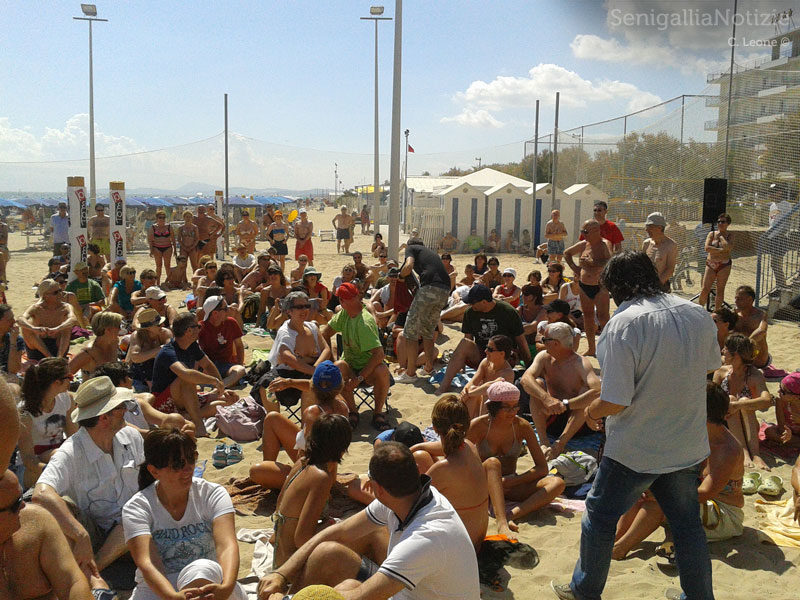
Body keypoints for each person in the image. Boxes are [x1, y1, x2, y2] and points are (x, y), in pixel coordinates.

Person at [550, 251, 720, 600]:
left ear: (615, 288)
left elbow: (616, 399)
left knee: (599, 517)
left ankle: (584, 591)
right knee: (687, 527)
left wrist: (592, 413)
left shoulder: (624, 323)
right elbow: (707, 371)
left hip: (636, 449)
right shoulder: (696, 312)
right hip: (686, 441)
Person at [257, 441, 480, 600]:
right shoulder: (407, 496)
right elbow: (336, 532)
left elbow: (358, 597)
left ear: (377, 489)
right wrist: (281, 573)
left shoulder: (426, 538)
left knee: (346, 588)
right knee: (327, 554)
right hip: (411, 590)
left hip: (408, 590)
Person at [32, 376, 143, 589]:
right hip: (98, 534)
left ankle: (93, 569)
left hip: (135, 528)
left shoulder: (130, 437)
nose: (126, 411)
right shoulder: (71, 452)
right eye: (121, 407)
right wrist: (80, 534)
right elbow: (41, 494)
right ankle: (95, 569)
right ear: (104, 418)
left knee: (137, 514)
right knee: (56, 506)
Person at [612, 382, 745, 560]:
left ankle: (620, 548)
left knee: (658, 503)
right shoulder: (695, 435)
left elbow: (707, 492)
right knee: (638, 492)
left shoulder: (727, 449)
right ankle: (615, 540)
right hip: (697, 500)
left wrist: (661, 493)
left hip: (724, 513)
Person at [123, 428, 246, 600]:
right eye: (177, 465)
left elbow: (227, 545)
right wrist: (173, 597)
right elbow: (148, 563)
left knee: (202, 569)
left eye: (191, 459)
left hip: (211, 582)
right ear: (154, 471)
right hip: (161, 587)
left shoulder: (211, 493)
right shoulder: (137, 507)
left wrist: (226, 587)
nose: (187, 469)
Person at [467, 381, 565, 539]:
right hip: (484, 484)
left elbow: (542, 468)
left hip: (512, 483)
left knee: (557, 483)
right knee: (493, 463)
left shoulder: (522, 426)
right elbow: (461, 459)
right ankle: (502, 523)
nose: (512, 412)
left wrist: (513, 481)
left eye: (515, 407)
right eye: (507, 408)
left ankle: (512, 514)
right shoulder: (478, 426)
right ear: (493, 407)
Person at [0, 469, 107, 600]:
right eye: (16, 504)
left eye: (21, 497)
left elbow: (72, 583)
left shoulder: (38, 522)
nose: (23, 506)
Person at [269, 414, 353, 570]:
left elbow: (279, 505)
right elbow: (301, 539)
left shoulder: (302, 462)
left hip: (280, 553)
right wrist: (331, 528)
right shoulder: (320, 478)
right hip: (291, 564)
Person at [250, 361, 350, 488]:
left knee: (257, 471)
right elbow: (321, 387)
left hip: (313, 478)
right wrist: (289, 382)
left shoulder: (312, 413)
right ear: (340, 386)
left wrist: (291, 478)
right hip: (328, 473)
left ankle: (272, 473)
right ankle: (271, 470)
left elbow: (305, 456)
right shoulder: (343, 406)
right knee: (272, 418)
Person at [410, 395, 490, 548]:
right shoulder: (469, 447)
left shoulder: (442, 469)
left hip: (462, 545)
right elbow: (440, 447)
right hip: (478, 537)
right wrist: (416, 447)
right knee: (421, 455)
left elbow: (409, 507)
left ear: (434, 428)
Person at [520, 322, 602, 459]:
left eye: (545, 340)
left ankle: (559, 444)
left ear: (556, 343)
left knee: (585, 392)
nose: (542, 342)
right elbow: (525, 379)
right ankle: (544, 441)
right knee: (537, 385)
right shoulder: (544, 357)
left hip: (576, 420)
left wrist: (566, 404)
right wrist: (547, 399)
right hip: (551, 414)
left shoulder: (579, 363)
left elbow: (597, 391)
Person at [150, 313, 236, 437]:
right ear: (189, 331)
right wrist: (214, 381)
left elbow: (208, 365)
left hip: (185, 397)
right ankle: (198, 424)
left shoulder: (192, 346)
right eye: (198, 326)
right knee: (186, 378)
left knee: (229, 400)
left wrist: (221, 386)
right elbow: (185, 374)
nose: (200, 328)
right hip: (164, 403)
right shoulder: (168, 352)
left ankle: (189, 415)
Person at [436, 284, 531, 395]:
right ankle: (444, 386)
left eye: (473, 302)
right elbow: (468, 340)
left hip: (504, 356)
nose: (470, 305)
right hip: (482, 353)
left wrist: (529, 366)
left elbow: (521, 340)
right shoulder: (470, 313)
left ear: (484, 302)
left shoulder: (507, 311)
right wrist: (461, 365)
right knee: (464, 343)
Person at [321, 282, 392, 431]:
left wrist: (358, 379)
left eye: (343, 299)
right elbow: (325, 333)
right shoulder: (344, 314)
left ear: (344, 301)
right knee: (338, 367)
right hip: (350, 365)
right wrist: (331, 359)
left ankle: (377, 413)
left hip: (369, 368)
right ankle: (353, 412)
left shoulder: (364, 322)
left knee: (381, 370)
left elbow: (379, 355)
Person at [712, 333, 772, 471]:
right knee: (731, 399)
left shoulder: (754, 375)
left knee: (743, 400)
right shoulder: (721, 372)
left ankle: (755, 454)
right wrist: (727, 406)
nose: (723, 351)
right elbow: (712, 398)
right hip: (724, 420)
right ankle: (744, 451)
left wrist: (738, 405)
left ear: (736, 355)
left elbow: (767, 400)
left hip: (747, 424)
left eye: (726, 349)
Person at [16, 358, 76, 489]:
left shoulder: (66, 399)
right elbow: (28, 459)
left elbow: (74, 438)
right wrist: (54, 471)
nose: (73, 380)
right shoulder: (25, 414)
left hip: (59, 457)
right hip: (34, 468)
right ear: (56, 382)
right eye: (70, 377)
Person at [395, 240, 450, 383]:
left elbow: (408, 266)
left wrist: (400, 277)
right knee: (428, 331)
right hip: (444, 291)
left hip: (429, 289)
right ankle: (428, 367)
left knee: (410, 331)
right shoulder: (431, 254)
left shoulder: (412, 248)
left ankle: (411, 373)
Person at [564, 220, 611, 357]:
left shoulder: (604, 244)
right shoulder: (584, 244)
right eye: (582, 231)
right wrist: (576, 269)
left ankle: (608, 348)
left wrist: (592, 262)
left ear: (596, 231)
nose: (583, 234)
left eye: (586, 231)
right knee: (588, 317)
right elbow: (567, 253)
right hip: (584, 285)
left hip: (600, 286)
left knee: (603, 318)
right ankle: (591, 348)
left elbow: (609, 261)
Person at [459, 334, 515, 418]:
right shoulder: (485, 363)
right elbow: (473, 381)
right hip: (480, 406)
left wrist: (469, 393)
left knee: (484, 395)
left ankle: (476, 427)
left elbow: (490, 388)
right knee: (473, 389)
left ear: (502, 354)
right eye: (487, 347)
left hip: (495, 411)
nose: (485, 351)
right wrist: (464, 393)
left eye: (490, 349)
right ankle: (466, 425)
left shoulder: (507, 373)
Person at [18, 279, 76, 360]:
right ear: (45, 295)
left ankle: (59, 358)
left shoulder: (65, 307)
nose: (60, 294)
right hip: (38, 347)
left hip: (58, 346)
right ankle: (50, 357)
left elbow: (73, 319)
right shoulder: (36, 308)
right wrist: (34, 328)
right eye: (56, 293)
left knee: (66, 328)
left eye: (60, 290)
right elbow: (20, 319)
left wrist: (57, 329)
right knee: (26, 328)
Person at [198, 296, 248, 388]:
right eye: (225, 308)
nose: (228, 310)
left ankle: (220, 386)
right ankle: (222, 384)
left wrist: (240, 363)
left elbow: (239, 345)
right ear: (215, 313)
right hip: (207, 366)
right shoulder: (201, 327)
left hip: (225, 366)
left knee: (240, 370)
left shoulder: (231, 323)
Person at [127, 308, 173, 393]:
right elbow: (135, 357)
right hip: (141, 374)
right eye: (158, 325)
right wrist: (159, 349)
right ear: (148, 328)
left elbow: (171, 353)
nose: (162, 325)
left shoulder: (165, 333)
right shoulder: (137, 336)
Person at [698, 213, 734, 311]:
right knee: (705, 289)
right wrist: (720, 250)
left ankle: (717, 311)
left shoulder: (730, 235)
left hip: (724, 264)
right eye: (718, 222)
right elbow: (707, 248)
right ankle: (700, 309)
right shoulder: (712, 234)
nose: (720, 224)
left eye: (723, 222)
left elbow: (728, 247)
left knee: (720, 289)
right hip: (711, 263)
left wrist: (721, 237)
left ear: (728, 224)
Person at [68, 311, 122, 377]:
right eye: (118, 326)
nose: (120, 329)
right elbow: (66, 373)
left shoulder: (114, 343)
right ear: (108, 330)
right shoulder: (87, 353)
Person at [732, 285, 772, 370]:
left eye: (739, 299)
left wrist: (746, 344)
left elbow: (762, 330)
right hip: (740, 356)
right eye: (735, 298)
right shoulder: (734, 315)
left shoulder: (760, 315)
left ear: (750, 300)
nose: (736, 301)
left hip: (758, 358)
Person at [641, 212, 678, 292]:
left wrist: (656, 285)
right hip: (645, 286)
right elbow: (641, 265)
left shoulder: (670, 245)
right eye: (646, 226)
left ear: (660, 228)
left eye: (650, 226)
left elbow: (670, 269)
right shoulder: (646, 244)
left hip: (661, 288)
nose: (646, 229)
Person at [764, 372, 800, 450]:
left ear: (796, 397)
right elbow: (781, 424)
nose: (778, 392)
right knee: (769, 431)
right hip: (790, 433)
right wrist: (786, 433)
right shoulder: (780, 401)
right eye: (780, 387)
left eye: (783, 391)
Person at [147, 210, 175, 285]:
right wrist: (151, 250)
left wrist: (175, 250)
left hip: (168, 247)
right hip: (157, 247)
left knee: (167, 266)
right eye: (160, 217)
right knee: (158, 266)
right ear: (157, 218)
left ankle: (169, 282)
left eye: (163, 217)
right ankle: (158, 283)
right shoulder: (153, 227)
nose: (162, 219)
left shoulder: (169, 227)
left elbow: (173, 239)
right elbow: (150, 240)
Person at [0, 304, 22, 379]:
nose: (14, 321)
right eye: (9, 319)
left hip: (7, 377)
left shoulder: (17, 339)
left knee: (13, 378)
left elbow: (13, 370)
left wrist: (13, 341)